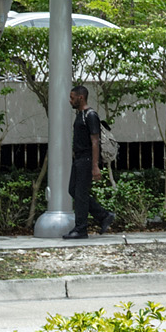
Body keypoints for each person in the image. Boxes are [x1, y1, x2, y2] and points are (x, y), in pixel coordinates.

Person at [67, 84, 112, 239]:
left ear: (81, 97)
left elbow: (95, 141)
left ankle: (81, 229)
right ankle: (104, 216)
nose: (70, 101)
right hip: (79, 159)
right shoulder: (80, 115)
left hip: (86, 159)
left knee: (80, 194)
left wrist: (95, 165)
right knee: (74, 190)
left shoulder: (91, 115)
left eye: (72, 98)